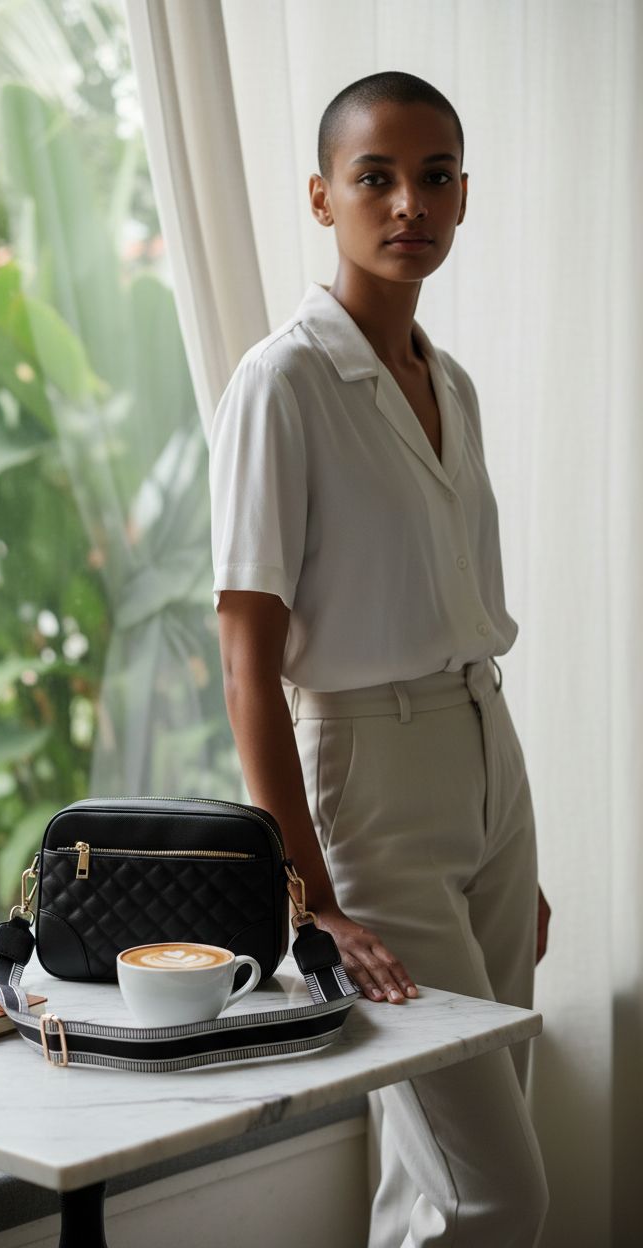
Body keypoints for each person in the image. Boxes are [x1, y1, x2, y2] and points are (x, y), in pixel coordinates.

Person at [208, 70, 551, 1247]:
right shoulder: (282, 382)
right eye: (376, 178)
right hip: (368, 778)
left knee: (438, 1174)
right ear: (321, 198)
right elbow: (249, 664)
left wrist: (502, 837)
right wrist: (305, 895)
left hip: (483, 760)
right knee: (494, 1190)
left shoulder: (443, 380)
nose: (410, 202)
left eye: (436, 176)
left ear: (463, 196)